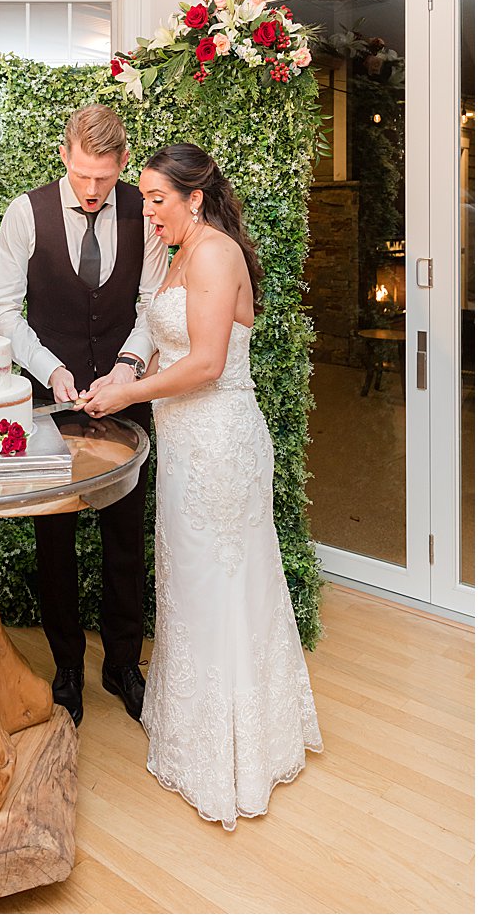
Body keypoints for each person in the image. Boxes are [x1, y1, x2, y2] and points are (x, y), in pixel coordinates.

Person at [81, 142, 322, 829]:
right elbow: (158, 337)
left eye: (157, 198)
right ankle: (194, 734)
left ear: (194, 195)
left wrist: (131, 395)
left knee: (221, 585)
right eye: (146, 197)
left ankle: (236, 754)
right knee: (188, 584)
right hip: (185, 443)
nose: (147, 209)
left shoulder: (215, 252)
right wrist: (120, 376)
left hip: (218, 441)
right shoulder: (178, 251)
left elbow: (209, 363)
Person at [0, 105, 168, 726]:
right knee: (54, 539)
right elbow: (6, 313)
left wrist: (128, 367)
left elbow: (151, 304)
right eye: (83, 176)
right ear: (65, 155)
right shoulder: (25, 213)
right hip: (50, 399)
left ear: (122, 161)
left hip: (126, 394)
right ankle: (65, 667)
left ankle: (124, 664)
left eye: (105, 177)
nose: (93, 192)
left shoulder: (143, 214)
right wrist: (53, 372)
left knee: (125, 537)